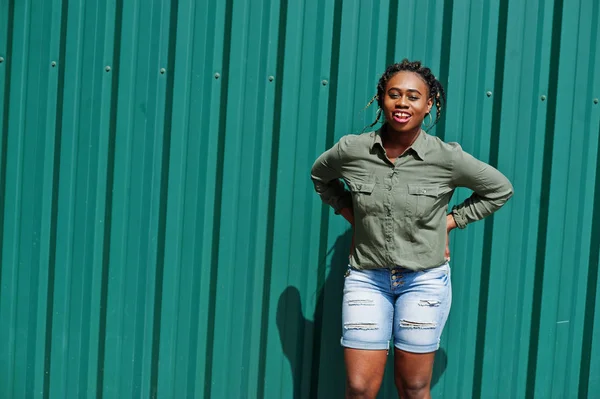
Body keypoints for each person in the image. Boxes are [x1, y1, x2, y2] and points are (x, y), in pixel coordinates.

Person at [310, 59, 513, 399]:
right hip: (367, 279)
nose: (402, 103)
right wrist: (349, 212)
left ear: (428, 104)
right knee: (359, 388)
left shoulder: (446, 158)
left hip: (424, 280)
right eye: (394, 94)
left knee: (414, 387)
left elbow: (499, 189)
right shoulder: (352, 150)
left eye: (413, 96)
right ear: (382, 100)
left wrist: (449, 222)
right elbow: (321, 177)